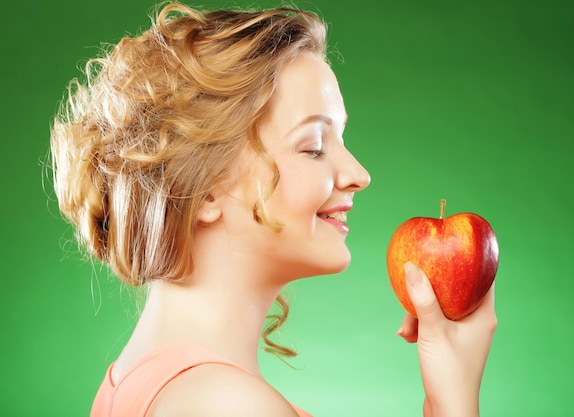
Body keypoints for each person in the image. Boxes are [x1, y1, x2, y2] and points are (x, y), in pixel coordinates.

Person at [50, 2, 497, 416]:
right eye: (315, 147)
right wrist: (456, 402)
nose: (359, 173)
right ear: (204, 190)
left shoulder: (143, 379)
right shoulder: (226, 404)